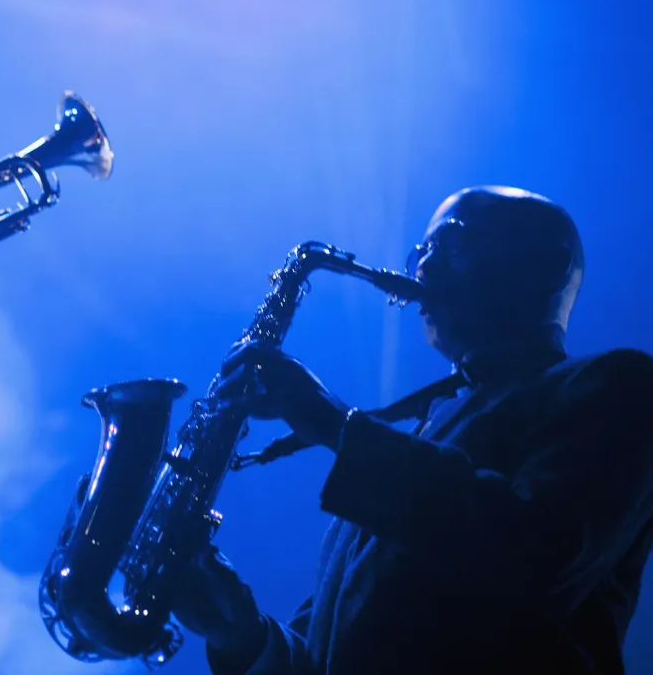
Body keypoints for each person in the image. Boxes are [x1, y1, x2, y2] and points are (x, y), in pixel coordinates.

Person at [172, 186, 653, 674]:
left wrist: (334, 423)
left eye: (451, 243)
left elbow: (540, 556)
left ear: (546, 267)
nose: (422, 267)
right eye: (419, 251)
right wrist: (244, 635)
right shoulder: (411, 445)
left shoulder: (618, 385)